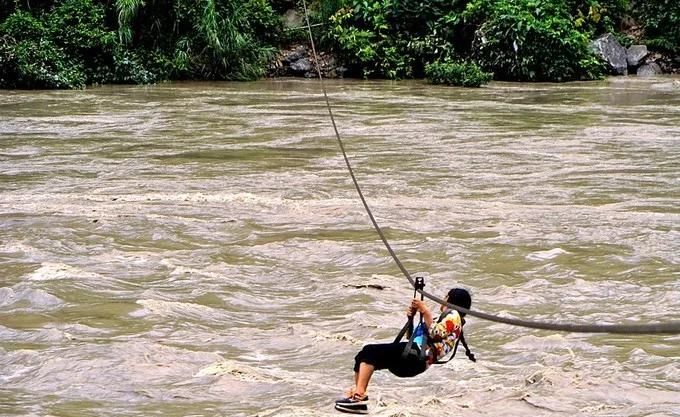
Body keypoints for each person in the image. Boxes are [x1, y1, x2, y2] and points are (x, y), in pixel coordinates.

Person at [334, 288, 473, 414]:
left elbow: (435, 333)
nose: (443, 300)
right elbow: (413, 337)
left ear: (450, 300)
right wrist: (411, 318)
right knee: (363, 355)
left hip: (415, 358)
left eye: (446, 296)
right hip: (412, 357)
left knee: (370, 353)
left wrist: (425, 311)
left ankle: (359, 396)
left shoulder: (454, 315)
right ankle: (357, 396)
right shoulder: (444, 318)